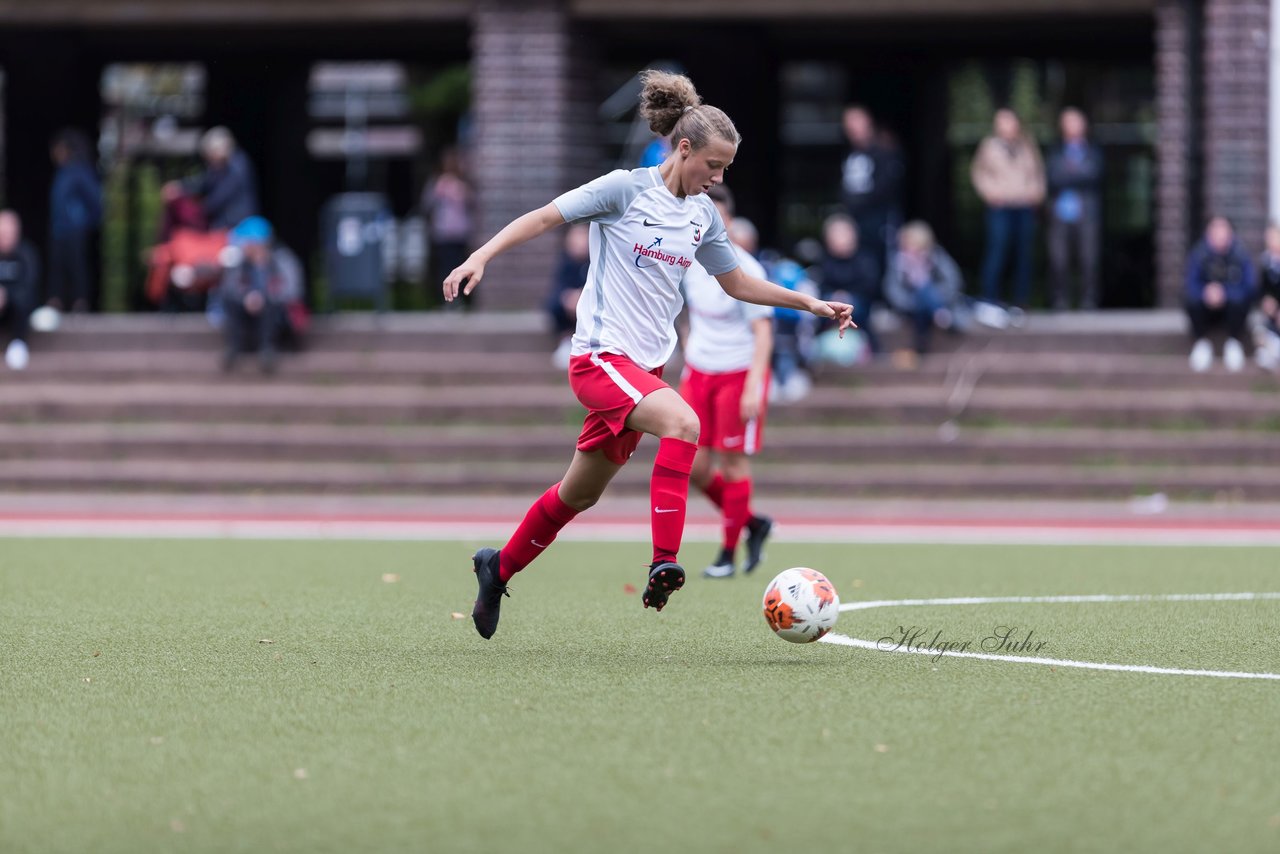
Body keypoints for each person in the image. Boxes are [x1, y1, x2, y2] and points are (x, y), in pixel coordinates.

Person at [443, 70, 853, 639]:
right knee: (685, 422)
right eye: (713, 164)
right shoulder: (623, 189)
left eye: (725, 169)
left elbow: (737, 284)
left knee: (578, 493)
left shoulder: (703, 216)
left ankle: (498, 567)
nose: (718, 176)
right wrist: (480, 257)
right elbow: (543, 217)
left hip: (644, 370)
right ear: (683, 149)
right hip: (600, 360)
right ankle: (665, 560)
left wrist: (809, 304)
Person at [679, 184, 775, 579]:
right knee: (693, 466)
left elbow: (764, 334)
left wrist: (754, 386)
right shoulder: (686, 262)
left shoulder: (747, 269)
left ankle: (728, 554)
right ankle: (752, 523)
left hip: (737, 374)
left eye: (717, 216)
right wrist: (688, 350)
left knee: (733, 464)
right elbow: (685, 314)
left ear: (729, 221)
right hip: (699, 372)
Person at [971, 108, 1045, 308]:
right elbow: (978, 173)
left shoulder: (1027, 145)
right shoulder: (989, 146)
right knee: (997, 251)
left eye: (1009, 121)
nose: (1005, 126)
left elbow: (1038, 173)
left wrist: (1036, 193)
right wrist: (990, 193)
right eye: (1001, 122)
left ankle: (1021, 301)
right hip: (1000, 206)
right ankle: (990, 298)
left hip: (1023, 206)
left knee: (1024, 254)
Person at [218, 217, 303, 375]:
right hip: (248, 312)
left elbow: (292, 291)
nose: (242, 246)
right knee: (228, 299)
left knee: (270, 303)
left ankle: (268, 349)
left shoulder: (282, 260)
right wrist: (247, 298)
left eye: (245, 242)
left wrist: (264, 298)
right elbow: (230, 287)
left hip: (276, 314)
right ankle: (234, 347)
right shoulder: (240, 263)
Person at [1045, 108, 1104, 311]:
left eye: (1077, 122)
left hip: (1087, 213)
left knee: (1089, 258)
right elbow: (1053, 178)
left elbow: (1095, 176)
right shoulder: (1055, 152)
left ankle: (1089, 301)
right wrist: (1079, 174)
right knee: (1059, 259)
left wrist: (1068, 175)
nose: (1073, 127)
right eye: (1069, 122)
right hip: (1061, 214)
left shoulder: (1093, 151)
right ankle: (1060, 300)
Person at [883, 220, 965, 358]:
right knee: (922, 292)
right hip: (910, 306)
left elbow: (953, 281)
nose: (912, 249)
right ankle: (941, 316)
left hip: (939, 299)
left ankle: (921, 343)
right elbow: (892, 290)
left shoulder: (936, 256)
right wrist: (914, 302)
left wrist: (936, 297)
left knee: (925, 289)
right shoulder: (897, 261)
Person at [1185, 215, 1254, 373]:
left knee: (1240, 301)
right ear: (1208, 233)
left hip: (1232, 309)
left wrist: (1225, 293)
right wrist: (1206, 292)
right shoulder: (1199, 254)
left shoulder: (1240, 255)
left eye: (1223, 230)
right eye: (1215, 230)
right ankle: (1201, 343)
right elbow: (1190, 284)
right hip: (1206, 308)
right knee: (1191, 301)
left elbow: (1249, 287)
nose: (1220, 234)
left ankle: (1234, 342)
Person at [839, 105, 903, 271]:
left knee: (883, 262)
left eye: (856, 122)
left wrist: (860, 202)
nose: (853, 128)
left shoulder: (884, 151)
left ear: (868, 122)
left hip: (880, 220)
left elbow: (885, 187)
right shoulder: (851, 155)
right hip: (855, 222)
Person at [46, 129, 102, 314]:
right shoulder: (62, 172)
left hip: (74, 229)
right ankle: (57, 302)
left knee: (77, 266)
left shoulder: (79, 171)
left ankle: (80, 303)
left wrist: (83, 221)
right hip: (59, 229)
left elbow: (95, 201)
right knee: (58, 266)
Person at [165, 127, 258, 230]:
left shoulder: (238, 165)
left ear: (219, 150)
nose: (209, 161)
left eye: (209, 156)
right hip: (221, 223)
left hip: (238, 225)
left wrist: (198, 209)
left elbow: (221, 196)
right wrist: (180, 186)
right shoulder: (218, 167)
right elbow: (202, 182)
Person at [818, 213, 881, 355]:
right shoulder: (824, 261)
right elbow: (821, 287)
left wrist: (847, 296)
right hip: (831, 303)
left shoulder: (865, 259)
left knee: (854, 307)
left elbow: (871, 287)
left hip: (859, 304)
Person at [421, 147, 475, 307]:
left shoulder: (463, 183)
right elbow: (427, 204)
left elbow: (472, 203)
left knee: (461, 265)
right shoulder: (438, 182)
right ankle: (448, 299)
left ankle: (459, 298)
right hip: (444, 233)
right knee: (445, 266)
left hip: (460, 232)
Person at [546, 223, 590, 369]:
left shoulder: (597, 261)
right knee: (555, 304)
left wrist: (583, 297)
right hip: (569, 314)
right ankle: (566, 340)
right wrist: (567, 298)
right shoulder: (565, 263)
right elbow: (558, 289)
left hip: (592, 310)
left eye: (583, 236)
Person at [0, 210, 39, 371]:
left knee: (22, 304)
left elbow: (29, 287)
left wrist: (6, 296)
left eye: (9, 232)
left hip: (17, 312)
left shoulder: (26, 254)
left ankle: (18, 344)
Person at [1254, 223, 1280, 370]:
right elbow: (1260, 289)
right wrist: (1265, 301)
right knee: (1261, 329)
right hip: (1271, 313)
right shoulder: (1265, 263)